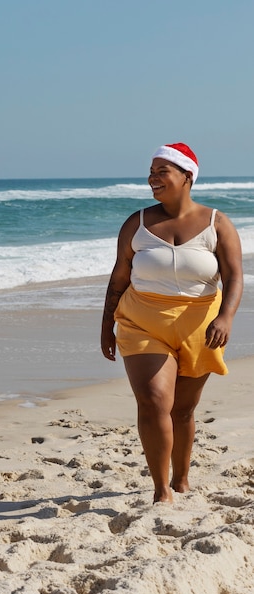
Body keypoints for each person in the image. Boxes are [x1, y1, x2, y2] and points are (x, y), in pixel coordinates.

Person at [101, 143, 243, 504]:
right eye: (151, 170)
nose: (152, 178)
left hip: (201, 327)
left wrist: (225, 317)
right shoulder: (138, 222)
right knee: (152, 401)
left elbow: (235, 277)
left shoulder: (218, 223)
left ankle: (181, 479)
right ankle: (161, 489)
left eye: (162, 170)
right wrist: (106, 326)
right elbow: (119, 278)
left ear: (187, 176)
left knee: (183, 410)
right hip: (142, 324)